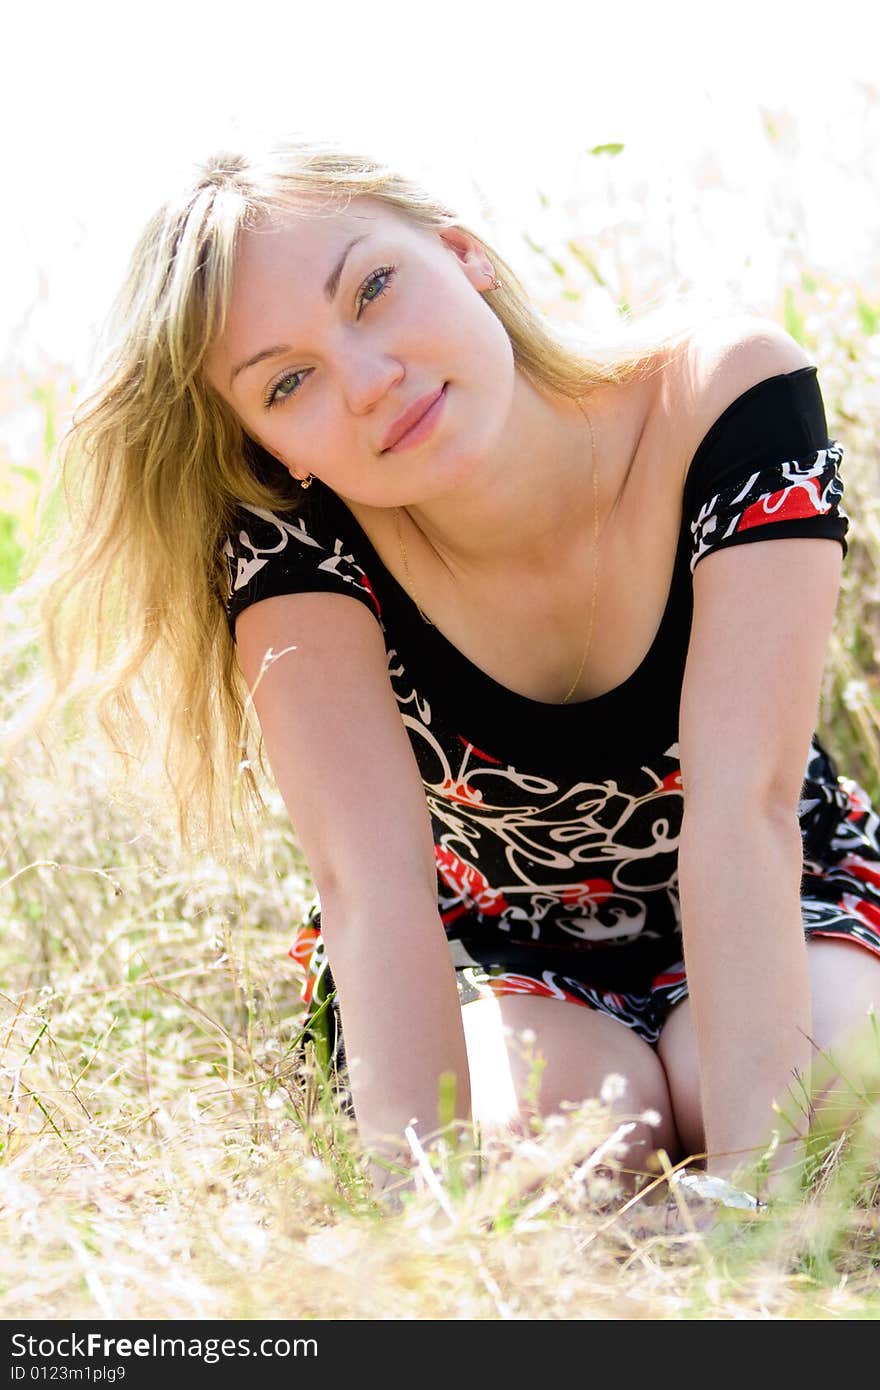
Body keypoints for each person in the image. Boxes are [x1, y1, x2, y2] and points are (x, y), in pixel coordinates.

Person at [31, 136, 880, 1206]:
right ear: (268, 445)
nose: (371, 380)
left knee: (830, 1116)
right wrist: (421, 1242)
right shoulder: (299, 543)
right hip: (490, 948)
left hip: (784, 889)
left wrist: (759, 1206)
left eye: (373, 290)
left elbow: (745, 801)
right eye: (289, 382)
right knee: (569, 1156)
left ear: (465, 252)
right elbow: (371, 882)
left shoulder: (724, 398)